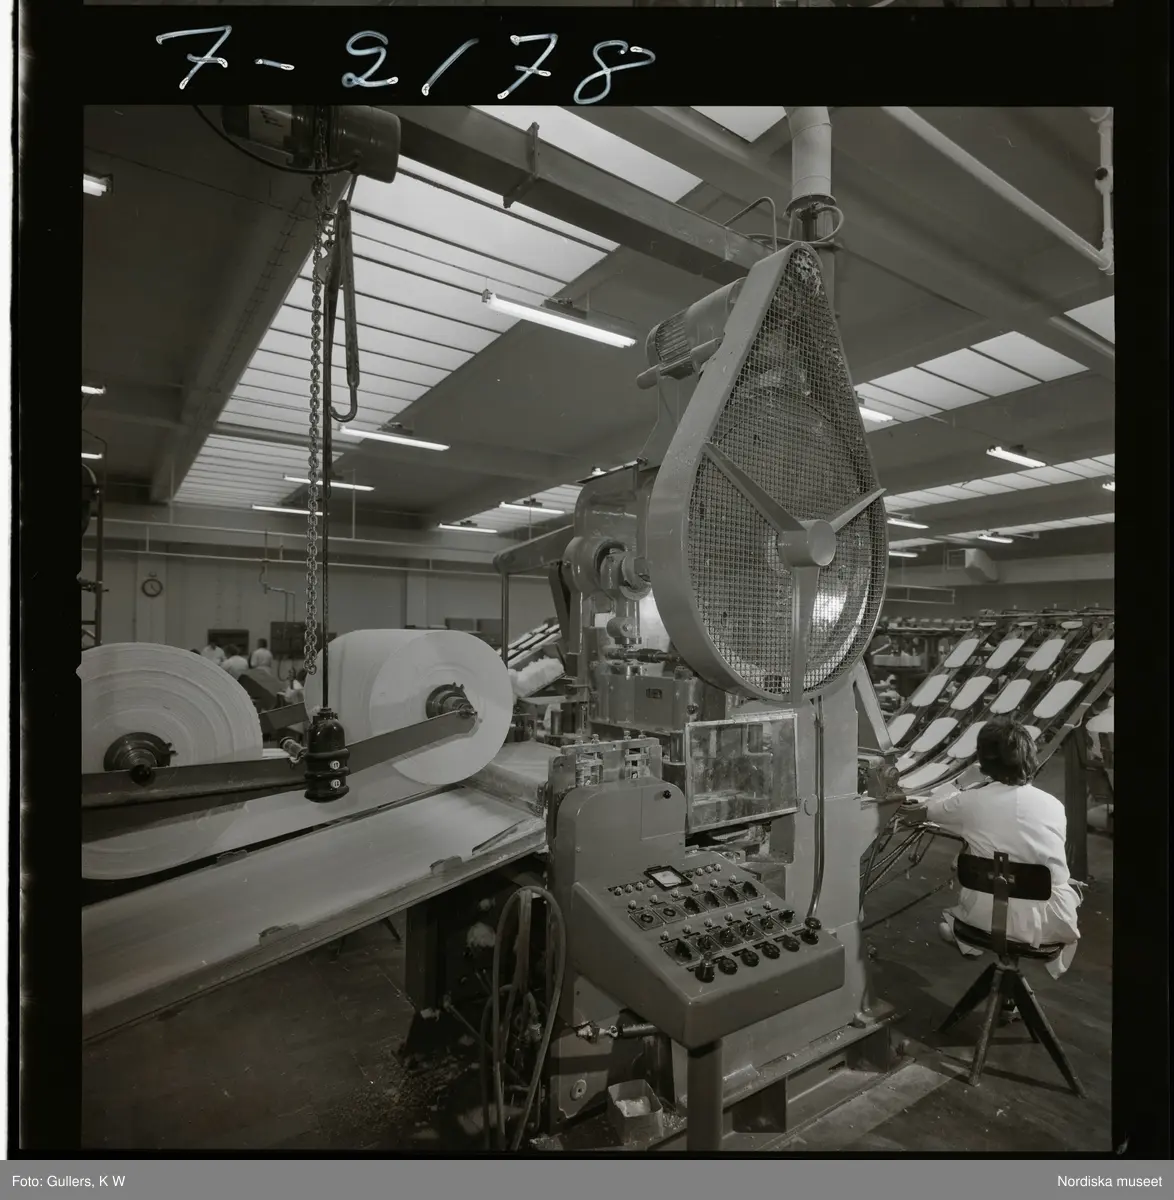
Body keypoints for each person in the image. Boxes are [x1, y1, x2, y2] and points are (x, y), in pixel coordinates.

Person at [905, 717, 1082, 1013]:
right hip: (1048, 923)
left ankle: (980, 952)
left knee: (973, 898)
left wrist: (961, 782)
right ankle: (1009, 990)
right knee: (1042, 886)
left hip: (985, 919)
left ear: (984, 760)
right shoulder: (1053, 804)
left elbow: (926, 810)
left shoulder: (971, 802)